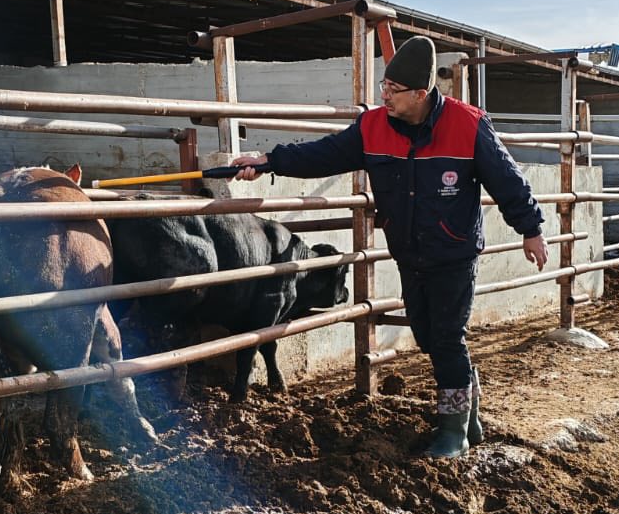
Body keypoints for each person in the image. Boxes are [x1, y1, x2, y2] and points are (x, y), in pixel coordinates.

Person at [232, 35, 548, 458]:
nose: (384, 96)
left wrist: (531, 228)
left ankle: (453, 431)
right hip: (409, 251)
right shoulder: (373, 126)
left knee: (448, 338)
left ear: (421, 93)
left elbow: (509, 181)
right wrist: (269, 161)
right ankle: (469, 415)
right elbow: (322, 155)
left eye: (393, 90)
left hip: (453, 252)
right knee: (427, 335)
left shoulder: (468, 125)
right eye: (383, 86)